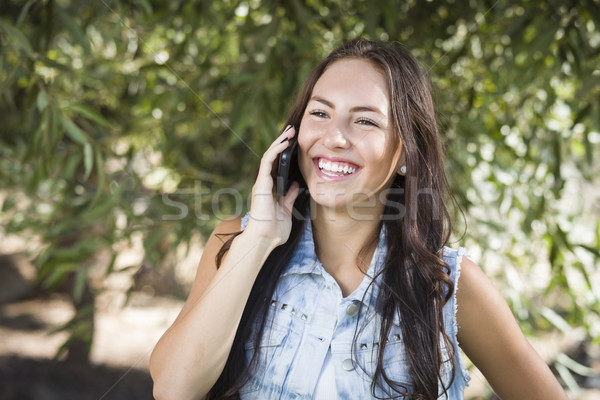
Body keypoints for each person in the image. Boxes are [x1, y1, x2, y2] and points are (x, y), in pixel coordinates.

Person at [150, 38, 568, 400]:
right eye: (320, 113)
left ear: (405, 153)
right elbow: (173, 388)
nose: (334, 136)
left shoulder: (448, 285)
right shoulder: (235, 243)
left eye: (365, 120)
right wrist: (259, 240)